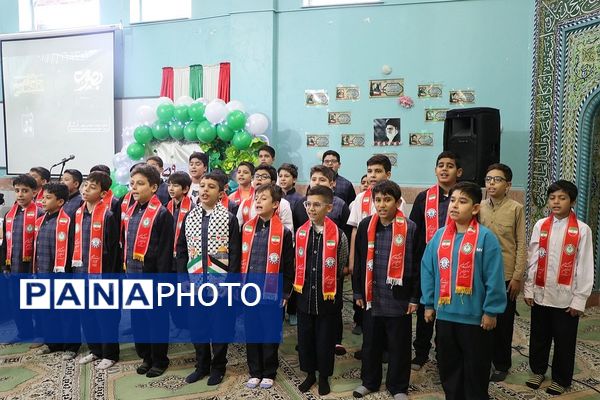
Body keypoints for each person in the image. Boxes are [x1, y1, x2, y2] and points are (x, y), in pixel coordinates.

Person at [420, 181, 506, 400]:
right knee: (449, 367)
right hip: (446, 316)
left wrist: (491, 310)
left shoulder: (486, 238)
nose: (455, 205)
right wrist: (429, 303)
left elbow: (494, 276)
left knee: (476, 369)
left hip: (476, 319)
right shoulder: (439, 236)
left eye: (463, 201)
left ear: (475, 208)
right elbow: (428, 270)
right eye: (453, 200)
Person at [524, 180, 594, 396]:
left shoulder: (582, 230)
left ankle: (561, 378)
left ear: (572, 202)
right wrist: (529, 288)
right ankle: (538, 370)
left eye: (562, 198)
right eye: (552, 198)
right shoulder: (540, 225)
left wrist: (579, 299)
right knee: (539, 335)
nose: (556, 202)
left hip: (566, 297)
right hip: (541, 292)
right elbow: (533, 258)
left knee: (564, 339)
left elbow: (584, 265)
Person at [352, 181, 418, 400]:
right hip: (372, 295)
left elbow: (416, 264)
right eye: (378, 200)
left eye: (387, 200)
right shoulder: (366, 225)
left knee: (399, 345)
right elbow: (360, 261)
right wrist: (358, 292)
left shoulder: (410, 227)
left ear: (398, 203)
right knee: (371, 343)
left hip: (398, 298)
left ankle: (398, 387)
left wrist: (414, 297)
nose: (381, 205)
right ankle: (369, 382)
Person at [176, 171, 241, 386]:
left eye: (211, 187)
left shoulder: (228, 218)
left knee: (220, 327)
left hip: (220, 284)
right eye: (202, 186)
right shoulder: (190, 217)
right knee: (197, 326)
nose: (205, 190)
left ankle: (218, 367)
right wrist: (183, 278)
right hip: (195, 283)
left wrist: (230, 283)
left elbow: (235, 254)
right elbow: (181, 250)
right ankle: (201, 366)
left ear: (221, 193)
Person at [410, 151, 462, 370]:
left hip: (456, 263)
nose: (444, 169)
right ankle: (421, 352)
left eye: (450, 165)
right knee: (425, 308)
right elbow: (414, 231)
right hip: (428, 264)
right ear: (435, 170)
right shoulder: (424, 198)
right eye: (441, 165)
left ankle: (445, 352)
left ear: (458, 172)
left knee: (449, 310)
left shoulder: (463, 198)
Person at [294, 185, 349, 396]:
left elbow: (340, 265)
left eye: (317, 205)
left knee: (325, 339)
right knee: (305, 338)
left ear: (329, 208)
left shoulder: (339, 235)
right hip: (305, 296)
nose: (311, 209)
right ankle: (309, 374)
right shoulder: (301, 233)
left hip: (328, 297)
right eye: (308, 204)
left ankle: (324, 376)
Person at [122, 164, 174, 378]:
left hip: (153, 278)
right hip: (133, 276)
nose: (134, 188)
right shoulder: (130, 212)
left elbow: (165, 253)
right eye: (132, 183)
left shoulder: (162, 214)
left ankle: (159, 360)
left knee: (156, 321)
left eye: (140, 184)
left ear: (154, 187)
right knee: (139, 320)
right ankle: (146, 356)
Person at [241, 183, 294, 389]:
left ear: (275, 204)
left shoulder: (283, 232)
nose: (258, 202)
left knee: (270, 332)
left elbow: (288, 265)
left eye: (264, 198)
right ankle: (255, 371)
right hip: (249, 289)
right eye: (256, 198)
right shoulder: (247, 228)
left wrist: (285, 292)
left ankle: (269, 371)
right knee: (252, 331)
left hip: (271, 291)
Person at [348, 155, 405, 337]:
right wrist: (352, 259)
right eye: (370, 171)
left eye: (378, 171)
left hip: (387, 254)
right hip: (365, 254)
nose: (372, 175)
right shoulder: (360, 199)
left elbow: (400, 230)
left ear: (388, 174)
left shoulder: (397, 199)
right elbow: (355, 230)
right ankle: (362, 326)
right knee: (362, 292)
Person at [479, 163, 526, 382]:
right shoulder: (479, 207)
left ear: (508, 185)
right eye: (488, 179)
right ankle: (483, 359)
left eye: (497, 180)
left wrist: (517, 277)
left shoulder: (516, 208)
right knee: (482, 320)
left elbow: (521, 244)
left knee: (504, 323)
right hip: (482, 274)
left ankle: (501, 364)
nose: (491, 184)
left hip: (506, 275)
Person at [73, 172, 120, 370]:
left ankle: (110, 354)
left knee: (105, 317)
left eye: (92, 187)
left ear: (103, 193)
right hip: (81, 274)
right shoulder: (78, 213)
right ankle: (95, 350)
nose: (86, 189)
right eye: (85, 185)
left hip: (102, 275)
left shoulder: (108, 216)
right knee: (87, 315)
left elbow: (113, 249)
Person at [31, 183, 75, 358]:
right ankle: (53, 343)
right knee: (48, 312)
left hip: (62, 275)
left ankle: (71, 346)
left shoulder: (68, 222)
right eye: (43, 197)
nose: (43, 201)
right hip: (43, 273)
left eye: (48, 198)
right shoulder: (40, 221)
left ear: (60, 202)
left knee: (67, 312)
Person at [1, 174, 44, 342]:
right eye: (17, 190)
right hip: (15, 266)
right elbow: (6, 242)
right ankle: (24, 332)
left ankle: (40, 333)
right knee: (17, 302)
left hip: (33, 268)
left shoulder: (40, 213)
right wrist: (5, 265)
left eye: (25, 191)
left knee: (36, 302)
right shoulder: (10, 215)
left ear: (34, 192)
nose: (20, 194)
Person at [237, 164, 293, 232]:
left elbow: (288, 231)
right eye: (257, 176)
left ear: (273, 182)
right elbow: (238, 229)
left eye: (264, 177)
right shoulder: (245, 203)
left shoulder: (283, 204)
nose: (259, 179)